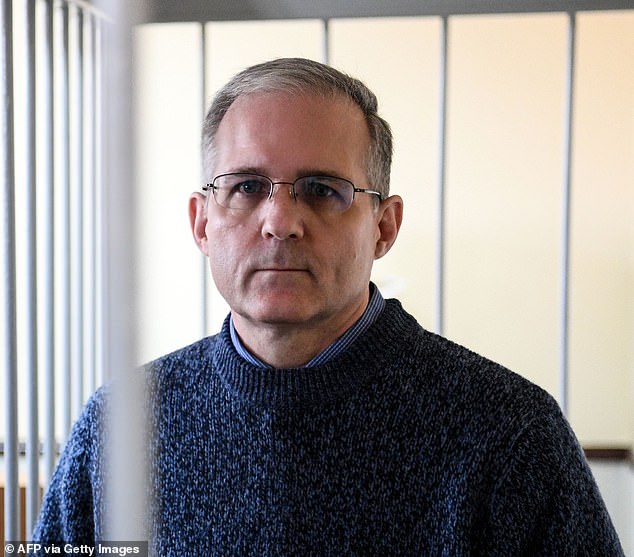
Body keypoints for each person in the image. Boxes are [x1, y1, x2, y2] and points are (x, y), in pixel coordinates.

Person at [33, 57, 624, 555]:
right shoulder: (117, 430)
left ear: (384, 227)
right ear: (202, 223)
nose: (281, 222)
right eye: (245, 186)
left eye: (323, 190)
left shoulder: (510, 435)